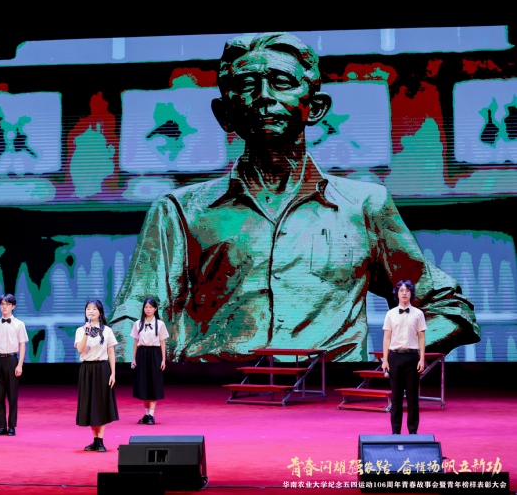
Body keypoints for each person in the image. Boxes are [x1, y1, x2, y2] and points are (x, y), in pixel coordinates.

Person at [109, 32, 479, 363]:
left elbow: (448, 306)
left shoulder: (364, 206)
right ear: (225, 113)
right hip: (217, 394)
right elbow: (134, 316)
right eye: (247, 85)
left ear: (315, 107)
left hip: (327, 395)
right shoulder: (180, 211)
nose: (264, 97)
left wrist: (396, 356)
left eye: (281, 82)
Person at [381, 280, 426, 434]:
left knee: (413, 397)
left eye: (407, 290)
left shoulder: (418, 314)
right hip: (395, 357)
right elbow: (387, 337)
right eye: (401, 290)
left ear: (411, 293)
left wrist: (421, 358)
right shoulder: (391, 314)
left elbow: (421, 337)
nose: (404, 293)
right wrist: (385, 360)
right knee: (396, 398)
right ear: (397, 294)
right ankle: (396, 432)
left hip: (412, 357)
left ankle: (413, 431)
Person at [75, 299, 119, 452]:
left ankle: (100, 440)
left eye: (94, 309)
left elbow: (111, 352)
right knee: (89, 403)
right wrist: (86, 334)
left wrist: (113, 373)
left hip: (102, 368)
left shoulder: (107, 330)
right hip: (87, 369)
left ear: (100, 312)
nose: (91, 311)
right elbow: (80, 349)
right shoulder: (80, 330)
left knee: (100, 403)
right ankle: (95, 440)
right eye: (88, 309)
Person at [0, 294, 28, 436]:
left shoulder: (19, 324)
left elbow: (22, 345)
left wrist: (20, 365)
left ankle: (12, 426)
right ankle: (2, 426)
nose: (4, 307)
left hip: (11, 360)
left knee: (12, 395)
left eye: (8, 304)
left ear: (13, 306)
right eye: (2, 304)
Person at [130, 297, 169, 425]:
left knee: (153, 384)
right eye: (146, 307)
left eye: (150, 307)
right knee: (144, 385)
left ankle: (151, 415)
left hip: (155, 354)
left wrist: (163, 360)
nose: (148, 309)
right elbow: (136, 342)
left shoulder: (160, 324)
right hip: (142, 354)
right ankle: (147, 414)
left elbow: (162, 342)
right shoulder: (138, 324)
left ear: (155, 309)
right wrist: (133, 359)